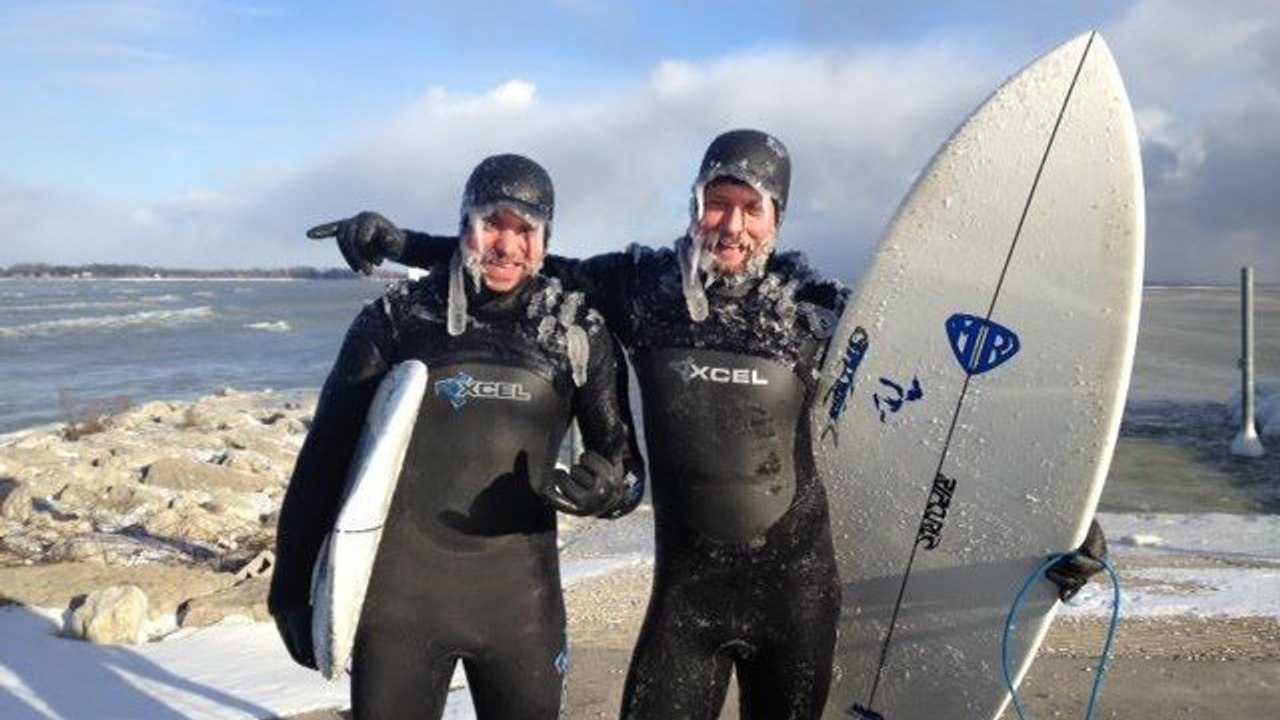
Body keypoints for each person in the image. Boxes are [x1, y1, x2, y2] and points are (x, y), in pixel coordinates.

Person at [311, 129, 1109, 719]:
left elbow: (941, 416)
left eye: (749, 208)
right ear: (694, 207)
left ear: (777, 220)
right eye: (715, 203)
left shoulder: (818, 313)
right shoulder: (643, 291)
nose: (730, 224)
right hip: (688, 598)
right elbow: (524, 264)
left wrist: (1060, 515)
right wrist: (403, 245)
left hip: (797, 596)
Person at [268, 153, 644, 720]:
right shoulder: (398, 318)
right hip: (399, 610)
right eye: (494, 223)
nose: (508, 246)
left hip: (522, 614)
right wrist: (291, 585)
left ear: (547, 239)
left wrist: (609, 491)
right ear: (465, 222)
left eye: (527, 230)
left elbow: (626, 467)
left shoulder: (575, 329)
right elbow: (325, 454)